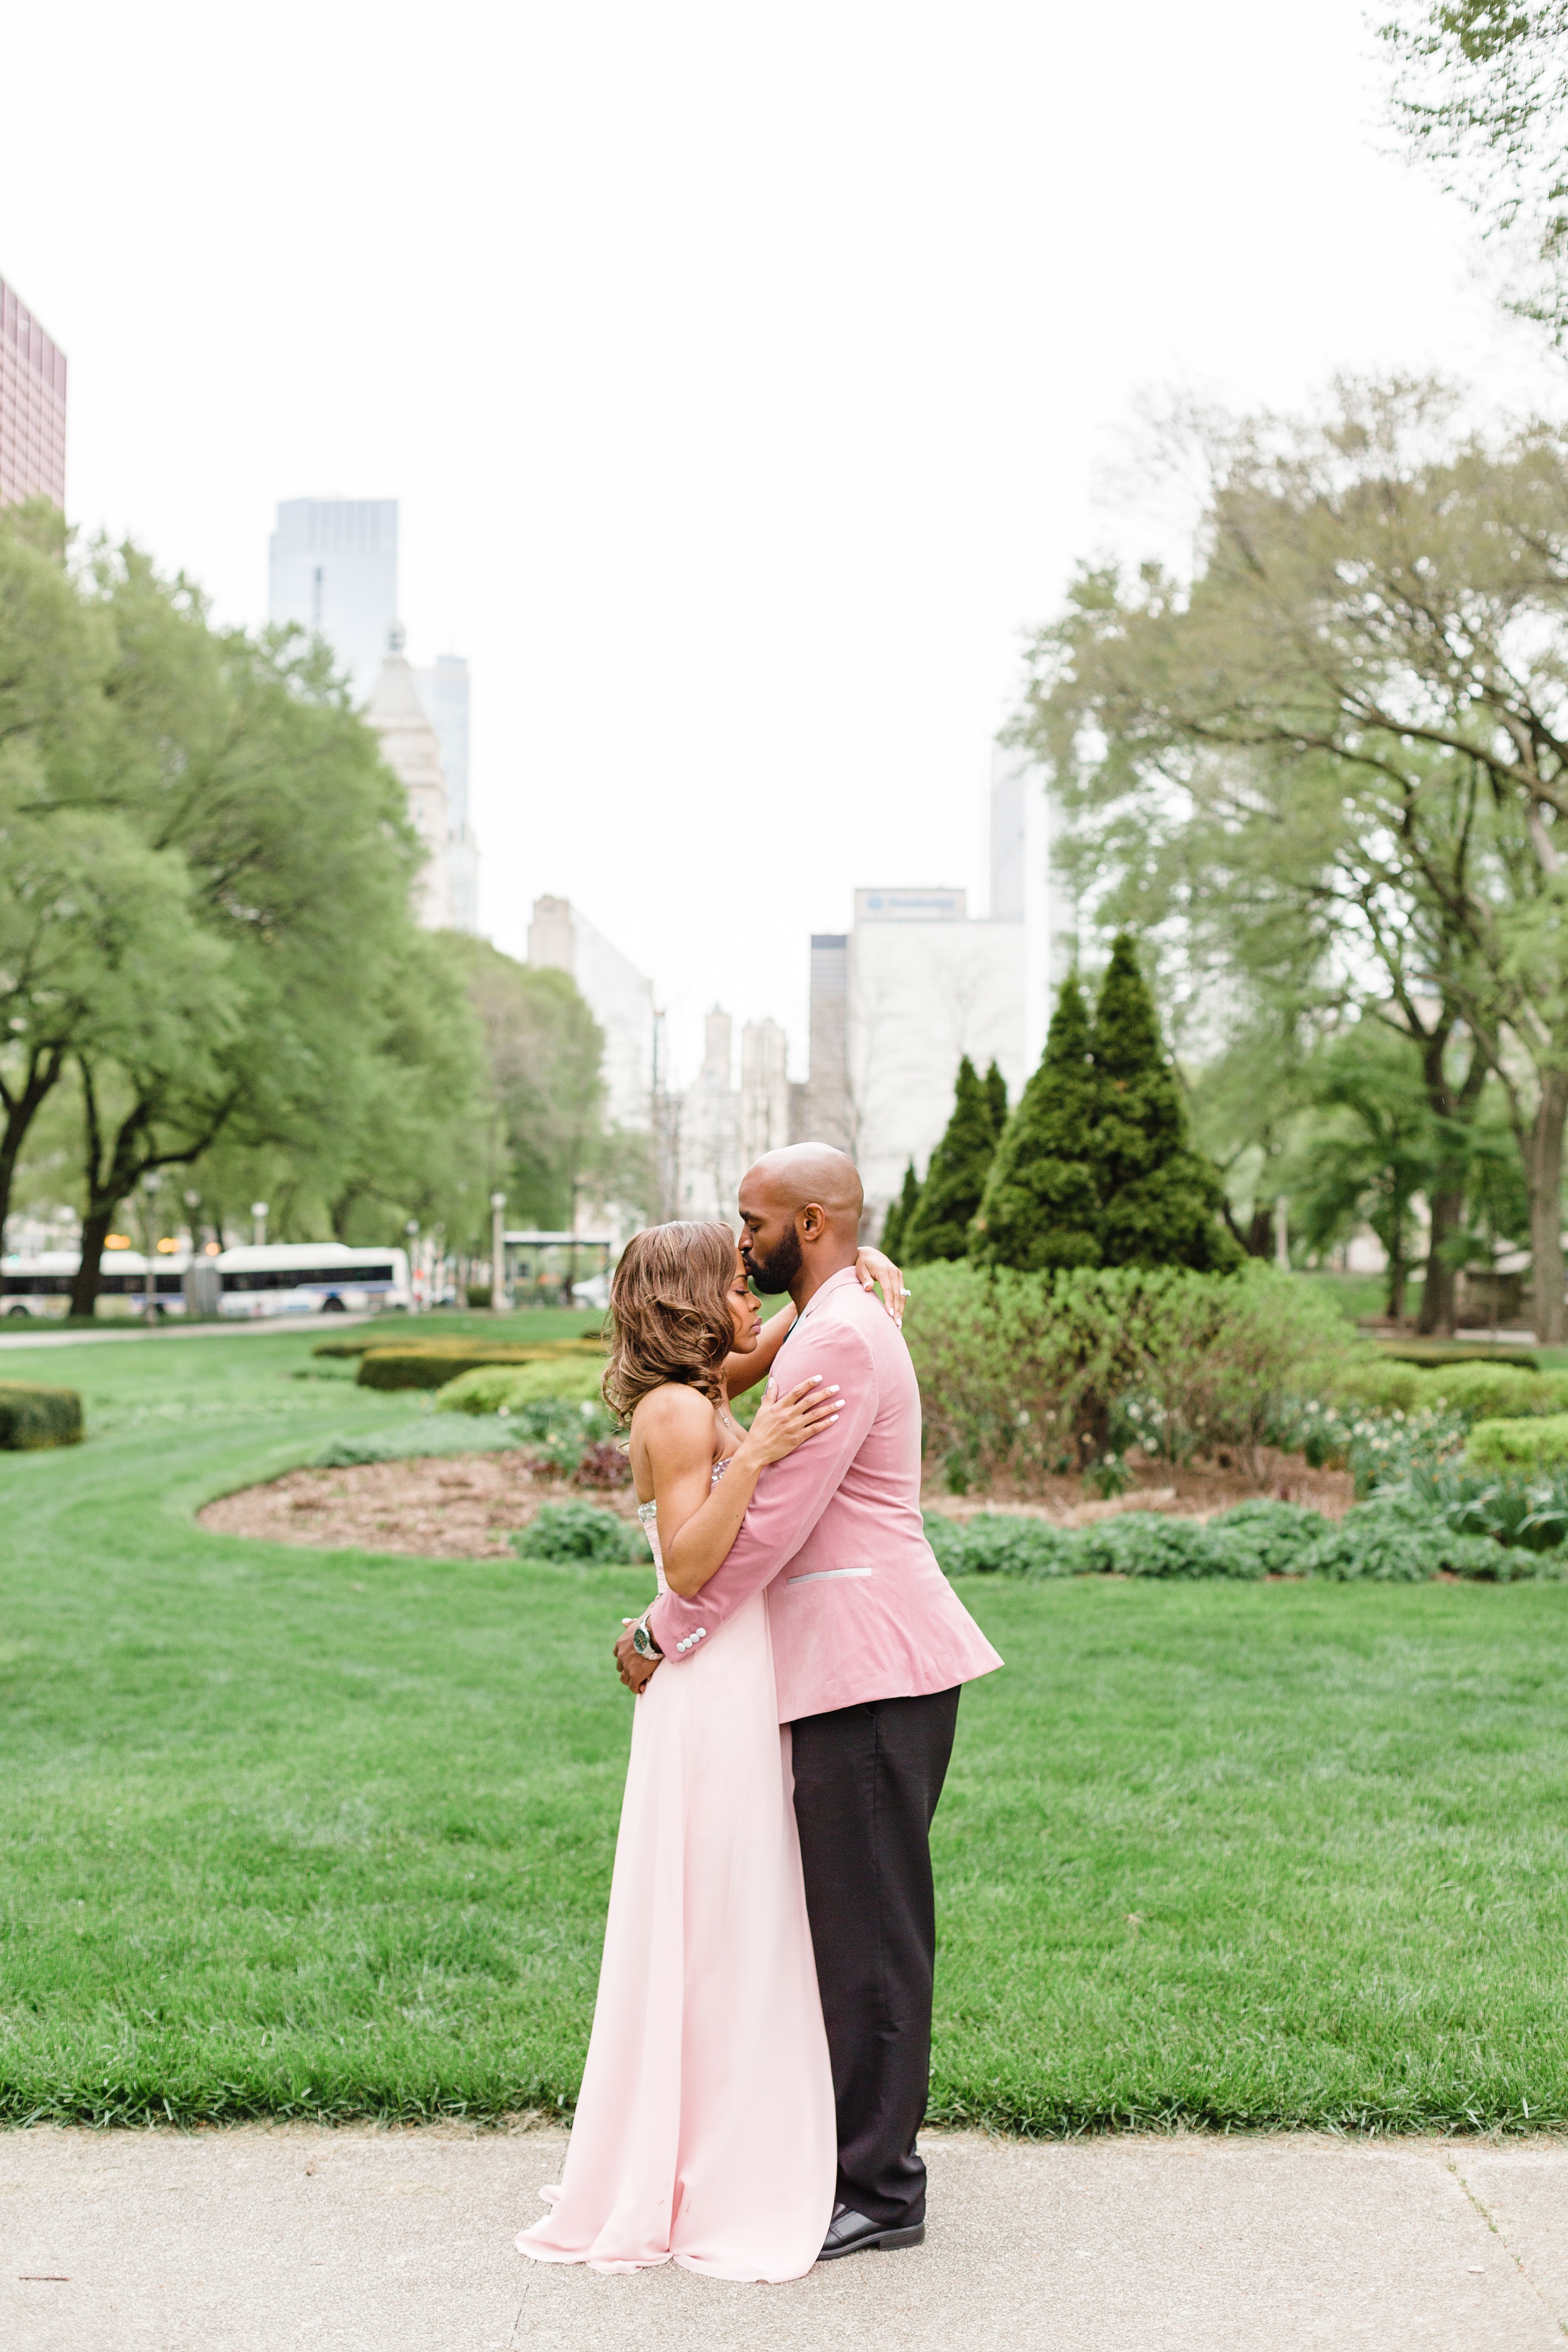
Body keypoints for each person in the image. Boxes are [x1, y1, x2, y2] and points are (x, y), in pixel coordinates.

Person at [617, 1146, 1003, 2263]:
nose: (739, 1240)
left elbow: (774, 1522)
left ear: (816, 1220)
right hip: (848, 1669)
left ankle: (881, 2190)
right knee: (850, 1931)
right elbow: (708, 1405)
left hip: (869, 1668)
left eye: (754, 1220)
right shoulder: (833, 1319)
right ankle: (846, 2157)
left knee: (873, 1939)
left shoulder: (840, 1334)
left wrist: (663, 1632)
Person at [515, 1217, 906, 2282]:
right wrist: (764, 1456)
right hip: (712, 1685)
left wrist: (847, 1295)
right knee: (728, 1914)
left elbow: (774, 1346)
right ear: (691, 1298)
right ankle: (720, 2156)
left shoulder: (700, 1389)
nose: (751, 1297)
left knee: (730, 1911)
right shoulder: (683, 1412)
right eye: (735, 1283)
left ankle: (716, 2133)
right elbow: (688, 1569)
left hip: (727, 1678)